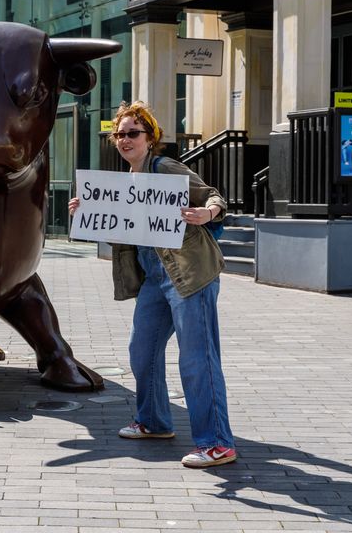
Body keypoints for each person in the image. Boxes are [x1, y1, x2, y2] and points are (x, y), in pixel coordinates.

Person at [68, 100, 237, 469]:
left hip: (190, 274)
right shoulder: (121, 184)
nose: (125, 139)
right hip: (155, 279)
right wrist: (88, 212)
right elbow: (120, 231)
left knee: (198, 359)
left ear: (149, 137)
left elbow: (215, 197)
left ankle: (217, 443)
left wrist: (205, 212)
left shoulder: (165, 168)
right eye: (120, 134)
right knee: (140, 350)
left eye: (133, 133)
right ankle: (155, 421)